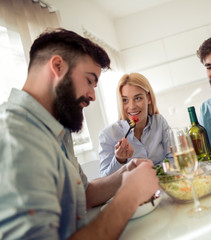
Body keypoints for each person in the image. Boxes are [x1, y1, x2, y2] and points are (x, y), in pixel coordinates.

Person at [0, 28, 159, 239]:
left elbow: (85, 193)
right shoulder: (15, 136)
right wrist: (128, 197)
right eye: (89, 80)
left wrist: (125, 172)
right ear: (57, 66)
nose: (92, 96)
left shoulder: (57, 128)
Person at [98, 72, 173, 176]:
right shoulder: (108, 135)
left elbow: (173, 158)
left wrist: (157, 173)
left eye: (138, 98)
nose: (132, 106)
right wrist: (119, 160)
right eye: (125, 100)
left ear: (149, 98)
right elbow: (104, 180)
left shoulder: (159, 122)